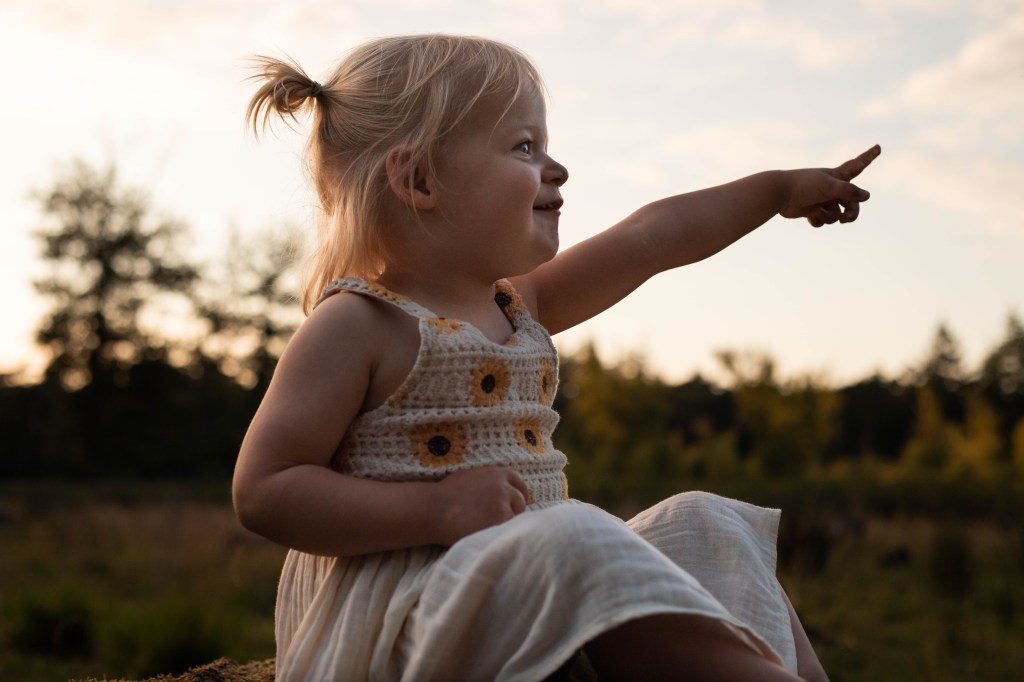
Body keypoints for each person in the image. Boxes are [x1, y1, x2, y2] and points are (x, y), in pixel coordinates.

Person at [233, 33, 879, 682]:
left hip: (529, 587)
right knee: (575, 535)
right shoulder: (358, 323)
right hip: (412, 616)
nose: (556, 168)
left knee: (703, 523)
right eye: (523, 146)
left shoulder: (523, 305)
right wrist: (433, 511)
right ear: (420, 179)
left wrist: (775, 192)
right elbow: (265, 489)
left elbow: (653, 237)